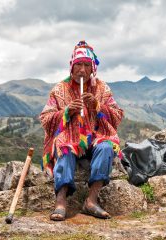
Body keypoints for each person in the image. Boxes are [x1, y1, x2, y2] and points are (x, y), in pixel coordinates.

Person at [40, 40, 124, 221]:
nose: (83, 70)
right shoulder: (59, 89)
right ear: (71, 67)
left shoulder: (102, 88)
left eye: (87, 65)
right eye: (78, 65)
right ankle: (61, 201)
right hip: (70, 138)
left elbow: (117, 116)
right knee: (64, 145)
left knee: (107, 147)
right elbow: (45, 119)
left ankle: (91, 201)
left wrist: (98, 105)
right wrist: (66, 112)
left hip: (95, 138)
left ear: (93, 68)